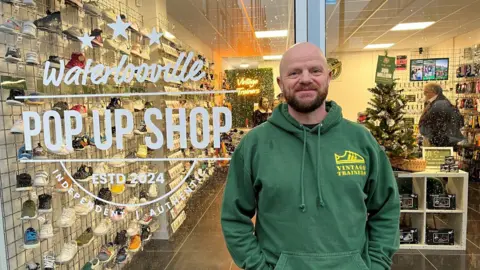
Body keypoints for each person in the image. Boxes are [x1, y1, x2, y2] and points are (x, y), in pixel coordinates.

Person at [221, 42, 400, 270]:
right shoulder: (254, 145)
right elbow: (233, 218)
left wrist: (376, 264)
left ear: (328, 76)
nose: (305, 79)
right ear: (280, 83)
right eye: (294, 73)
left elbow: (386, 208)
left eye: (315, 70)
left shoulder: (361, 140)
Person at [419, 83, 464, 148]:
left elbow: (440, 123)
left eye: (426, 92)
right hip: (435, 140)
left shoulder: (441, 103)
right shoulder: (433, 102)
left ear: (433, 92)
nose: (424, 94)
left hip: (440, 142)